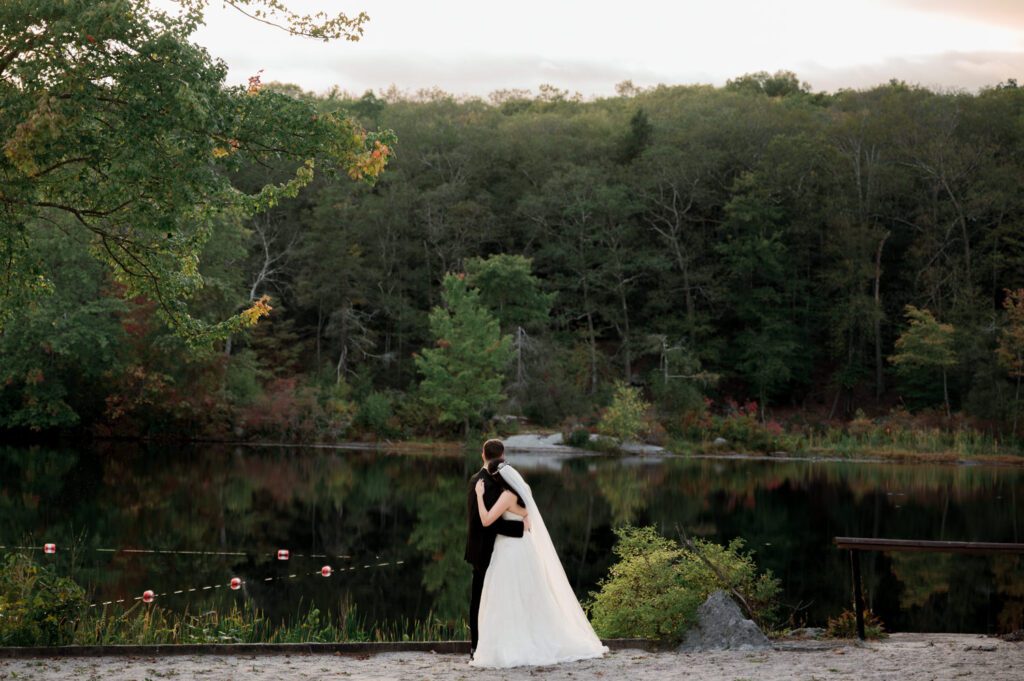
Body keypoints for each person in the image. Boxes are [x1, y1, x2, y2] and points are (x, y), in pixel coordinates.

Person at [468, 440, 608, 668]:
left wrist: (480, 495)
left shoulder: (502, 495)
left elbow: (485, 520)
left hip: (508, 551)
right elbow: (528, 522)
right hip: (525, 550)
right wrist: (519, 525)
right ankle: (530, 638)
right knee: (529, 597)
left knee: (505, 598)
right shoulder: (524, 494)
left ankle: (507, 644)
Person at [464, 438, 525, 658]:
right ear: (503, 455)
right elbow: (486, 522)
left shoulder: (485, 481)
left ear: (483, 454)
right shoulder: (484, 483)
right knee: (480, 600)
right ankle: (476, 646)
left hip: (493, 550)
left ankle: (487, 646)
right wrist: (520, 528)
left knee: (494, 599)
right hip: (484, 550)